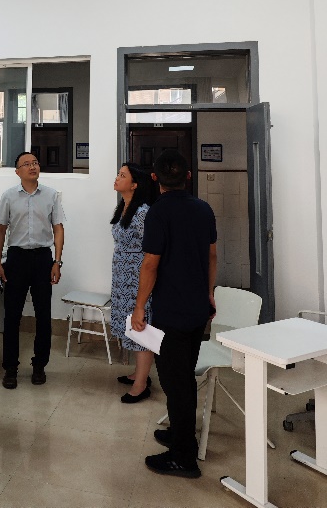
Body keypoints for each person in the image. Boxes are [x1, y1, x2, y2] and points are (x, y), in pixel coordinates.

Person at [132, 149, 217, 478]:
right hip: (196, 310)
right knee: (182, 377)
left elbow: (150, 264)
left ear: (155, 178)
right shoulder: (203, 209)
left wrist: (139, 306)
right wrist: (209, 294)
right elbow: (211, 256)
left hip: (171, 312)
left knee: (175, 382)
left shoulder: (158, 212)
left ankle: (184, 458)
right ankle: (181, 435)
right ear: (188, 176)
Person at [0, 151, 66, 389]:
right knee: (12, 316)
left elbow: (58, 228)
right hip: (16, 259)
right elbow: (0, 231)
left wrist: (57, 262)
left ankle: (39, 366)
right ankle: (10, 369)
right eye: (26, 164)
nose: (32, 166)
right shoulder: (8, 196)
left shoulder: (51, 195)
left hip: (43, 258)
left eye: (35, 162)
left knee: (43, 315)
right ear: (18, 172)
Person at [110, 163, 154, 403]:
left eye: (122, 175)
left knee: (140, 327)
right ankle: (139, 373)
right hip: (122, 280)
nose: (117, 178)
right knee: (131, 327)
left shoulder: (142, 212)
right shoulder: (124, 207)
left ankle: (141, 385)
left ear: (135, 184)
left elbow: (152, 251)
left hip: (137, 279)